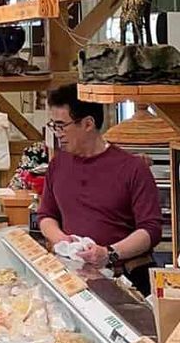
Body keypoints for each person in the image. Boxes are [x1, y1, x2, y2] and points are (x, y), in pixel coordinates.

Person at [37, 83, 162, 295]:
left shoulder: (133, 168)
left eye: (61, 126)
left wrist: (109, 253)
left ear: (88, 123)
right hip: (76, 277)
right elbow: (46, 215)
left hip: (125, 278)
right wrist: (61, 239)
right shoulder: (58, 164)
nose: (58, 133)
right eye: (54, 126)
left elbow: (151, 230)